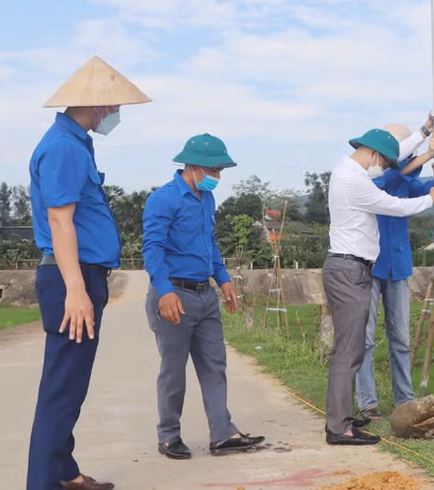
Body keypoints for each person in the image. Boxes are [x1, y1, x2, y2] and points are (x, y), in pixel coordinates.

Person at [28, 55, 152, 490]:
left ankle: (67, 475)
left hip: (81, 275)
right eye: (114, 105)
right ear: (97, 104)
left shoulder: (75, 142)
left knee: (68, 387)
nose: (116, 113)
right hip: (72, 277)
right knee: (62, 393)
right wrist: (76, 291)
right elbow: (60, 221)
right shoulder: (64, 147)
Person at [323, 120, 434, 446]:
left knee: (351, 350)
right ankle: (339, 427)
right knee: (350, 351)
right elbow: (394, 205)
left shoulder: (347, 170)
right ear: (373, 154)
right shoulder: (357, 181)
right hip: (350, 269)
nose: (385, 166)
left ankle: (343, 420)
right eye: (384, 159)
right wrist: (431, 197)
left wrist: (423, 133)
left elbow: (397, 156)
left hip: (354, 267)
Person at [142, 134, 264, 460]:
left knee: (214, 365)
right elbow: (152, 249)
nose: (217, 176)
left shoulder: (206, 199)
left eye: (220, 170)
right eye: (213, 170)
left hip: (204, 295)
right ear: (193, 166)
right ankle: (169, 435)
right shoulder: (163, 200)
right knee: (173, 370)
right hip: (174, 296)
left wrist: (223, 280)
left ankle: (222, 433)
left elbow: (209, 244)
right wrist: (164, 292)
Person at [354, 123, 434, 421]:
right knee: (365, 338)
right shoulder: (373, 178)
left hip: (398, 266)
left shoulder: (408, 180)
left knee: (401, 339)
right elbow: (393, 177)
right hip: (370, 265)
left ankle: (404, 399)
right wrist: (425, 155)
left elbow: (428, 192)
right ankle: (368, 402)